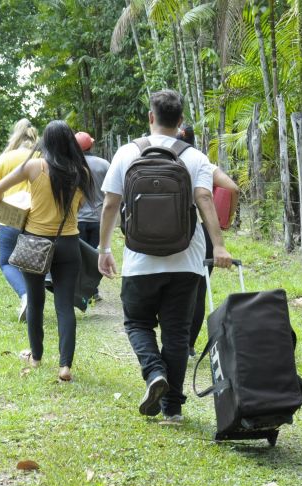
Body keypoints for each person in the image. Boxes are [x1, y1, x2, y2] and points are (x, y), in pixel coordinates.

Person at [98, 89, 233, 423]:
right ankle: (172, 409)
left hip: (139, 259)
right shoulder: (195, 157)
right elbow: (204, 199)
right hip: (186, 260)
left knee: (137, 322)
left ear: (151, 117)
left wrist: (104, 248)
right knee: (176, 332)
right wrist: (218, 246)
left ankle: (153, 371)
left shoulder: (127, 152)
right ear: (181, 120)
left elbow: (111, 204)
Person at [0, 121, 94, 382]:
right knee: (64, 306)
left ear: (45, 142)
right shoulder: (81, 170)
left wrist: (7, 212)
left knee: (35, 302)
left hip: (34, 242)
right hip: (69, 243)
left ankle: (36, 358)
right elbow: (80, 206)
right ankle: (65, 366)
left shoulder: (34, 166)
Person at [176, 125, 240, 355]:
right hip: (204, 232)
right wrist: (227, 217)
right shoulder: (203, 164)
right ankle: (188, 344)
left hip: (174, 231)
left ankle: (173, 340)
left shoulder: (165, 160)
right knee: (198, 288)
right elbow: (232, 187)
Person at [0, 118, 39, 322]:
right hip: (36, 218)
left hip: (11, 217)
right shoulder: (42, 156)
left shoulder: (5, 159)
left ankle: (26, 296)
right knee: (32, 264)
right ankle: (36, 301)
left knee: (7, 262)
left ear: (15, 136)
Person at [74, 131, 110, 301]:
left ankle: (81, 292)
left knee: (79, 257)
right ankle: (93, 291)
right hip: (99, 219)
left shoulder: (70, 165)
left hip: (77, 219)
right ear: (92, 145)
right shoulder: (104, 164)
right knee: (95, 255)